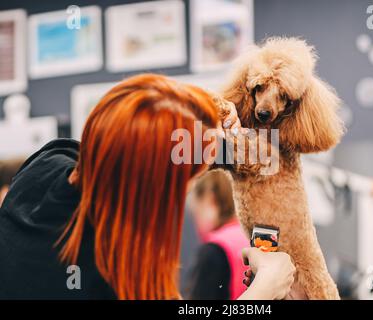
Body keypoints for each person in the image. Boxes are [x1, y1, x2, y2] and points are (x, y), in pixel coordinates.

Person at [0, 74, 295, 299]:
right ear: (156, 193)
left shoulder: (51, 162)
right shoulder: (116, 274)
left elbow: (140, 144)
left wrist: (203, 114)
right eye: (186, 184)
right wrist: (264, 291)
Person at [187, 170, 249, 300]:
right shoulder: (249, 237)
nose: (196, 224)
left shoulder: (214, 250)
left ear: (211, 200)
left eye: (196, 213)